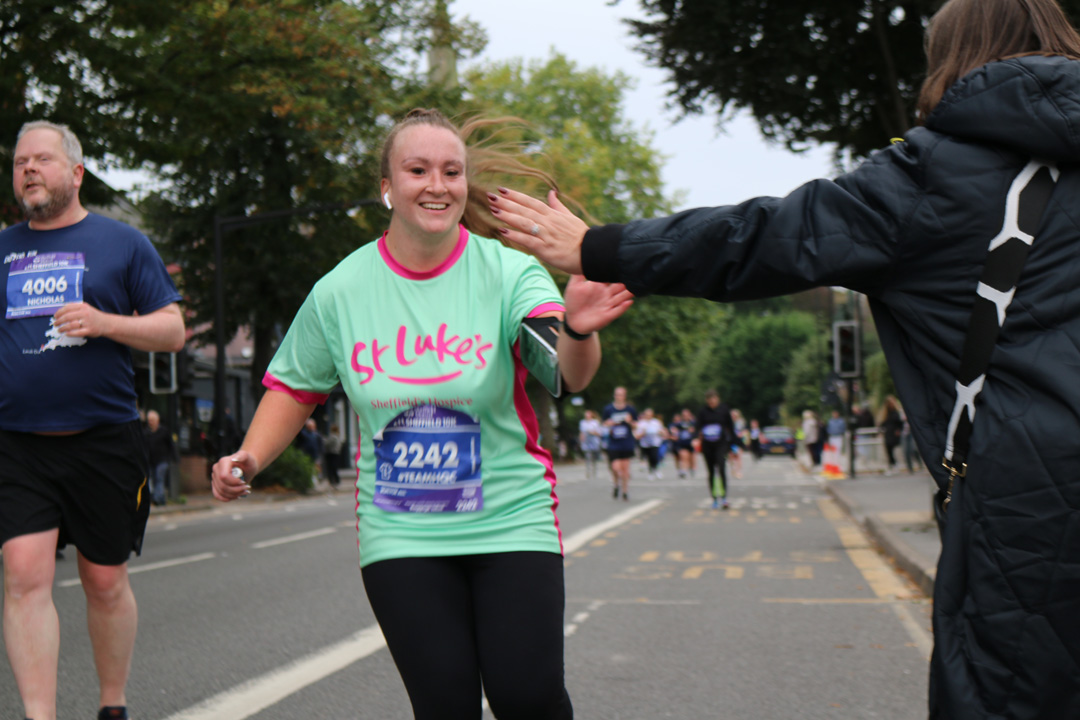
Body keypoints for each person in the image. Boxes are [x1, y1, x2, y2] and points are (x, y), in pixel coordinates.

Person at [490, 1, 1080, 714]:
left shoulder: (935, 175)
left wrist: (599, 249)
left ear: (953, 58)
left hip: (1030, 510)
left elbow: (764, 239)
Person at [210, 108, 632, 720]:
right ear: (387, 187)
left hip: (510, 520)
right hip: (402, 533)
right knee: (444, 705)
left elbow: (560, 369)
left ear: (465, 184)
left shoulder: (510, 272)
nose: (437, 184)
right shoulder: (341, 290)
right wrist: (248, 457)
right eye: (418, 169)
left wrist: (578, 329)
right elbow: (295, 388)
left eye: (452, 171)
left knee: (527, 696)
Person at [0, 121, 185, 720]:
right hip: (17, 443)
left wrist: (107, 322)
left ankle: (112, 705)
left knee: (104, 581)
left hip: (104, 438)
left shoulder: (123, 243)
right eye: (20, 161)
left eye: (43, 160)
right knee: (24, 575)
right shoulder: (2, 249)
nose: (28, 169)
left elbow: (173, 330)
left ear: (75, 173)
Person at [697, 390, 736, 509]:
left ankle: (724, 498)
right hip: (708, 445)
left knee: (721, 467)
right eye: (709, 399)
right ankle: (714, 499)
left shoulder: (724, 410)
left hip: (721, 444)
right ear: (707, 400)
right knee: (711, 472)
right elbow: (697, 427)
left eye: (713, 399)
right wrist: (695, 438)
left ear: (717, 399)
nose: (712, 401)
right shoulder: (703, 412)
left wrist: (733, 444)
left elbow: (731, 427)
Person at [602, 386, 638, 500]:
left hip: (627, 442)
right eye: (617, 394)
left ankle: (625, 491)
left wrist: (630, 421)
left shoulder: (630, 409)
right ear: (614, 396)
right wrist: (609, 423)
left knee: (625, 470)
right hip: (613, 443)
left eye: (621, 395)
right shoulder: (608, 409)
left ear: (625, 396)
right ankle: (616, 483)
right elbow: (603, 424)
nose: (619, 397)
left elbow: (636, 425)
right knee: (616, 468)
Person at [143, 409, 177, 506]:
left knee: (159, 477)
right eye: (149, 420)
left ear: (157, 421)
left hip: (162, 460)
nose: (150, 422)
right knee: (151, 479)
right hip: (150, 461)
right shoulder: (146, 433)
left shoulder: (164, 431)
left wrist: (174, 457)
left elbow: (171, 445)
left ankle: (157, 499)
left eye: (152, 420)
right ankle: (161, 500)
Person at [634, 407, 667, 479]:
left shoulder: (656, 422)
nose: (648, 416)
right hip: (645, 444)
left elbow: (662, 431)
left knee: (654, 457)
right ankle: (651, 471)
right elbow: (637, 435)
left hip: (655, 443)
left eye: (650, 415)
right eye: (647, 414)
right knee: (648, 458)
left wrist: (661, 432)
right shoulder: (641, 423)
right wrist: (643, 432)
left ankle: (656, 469)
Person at [879, 396, 904, 475]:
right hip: (888, 434)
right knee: (889, 451)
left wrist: (898, 430)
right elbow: (882, 424)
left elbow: (900, 423)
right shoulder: (885, 414)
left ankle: (895, 465)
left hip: (894, 434)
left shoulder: (896, 413)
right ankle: (892, 466)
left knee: (893, 450)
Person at [669, 408, 696, 479]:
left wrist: (695, 436)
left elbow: (697, 432)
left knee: (691, 458)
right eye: (684, 415)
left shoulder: (693, 423)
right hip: (682, 443)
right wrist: (674, 434)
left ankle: (692, 468)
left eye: (687, 415)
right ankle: (683, 470)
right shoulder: (679, 424)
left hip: (691, 443)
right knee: (683, 456)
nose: (685, 417)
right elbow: (673, 431)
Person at [578, 409, 604, 481]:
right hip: (586, 442)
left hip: (594, 441)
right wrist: (581, 439)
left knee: (594, 457)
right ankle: (588, 471)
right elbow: (581, 432)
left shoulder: (595, 422)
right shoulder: (582, 422)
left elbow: (599, 433)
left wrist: (592, 432)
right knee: (587, 456)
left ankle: (594, 470)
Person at [323, 422, 345, 487]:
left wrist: (324, 440)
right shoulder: (338, 436)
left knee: (331, 468)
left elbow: (327, 444)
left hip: (331, 454)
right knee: (334, 468)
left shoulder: (333, 436)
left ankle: (333, 481)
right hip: (336, 454)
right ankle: (336, 481)